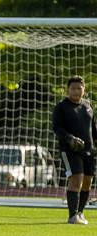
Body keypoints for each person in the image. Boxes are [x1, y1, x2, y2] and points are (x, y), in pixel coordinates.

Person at [53, 75, 97, 224]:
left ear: (84, 89)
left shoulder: (88, 106)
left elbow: (93, 129)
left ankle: (80, 213)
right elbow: (56, 128)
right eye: (73, 88)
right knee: (76, 179)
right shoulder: (61, 106)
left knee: (87, 182)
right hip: (69, 150)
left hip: (89, 151)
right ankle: (72, 216)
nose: (76, 91)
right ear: (68, 90)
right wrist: (69, 138)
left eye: (79, 88)